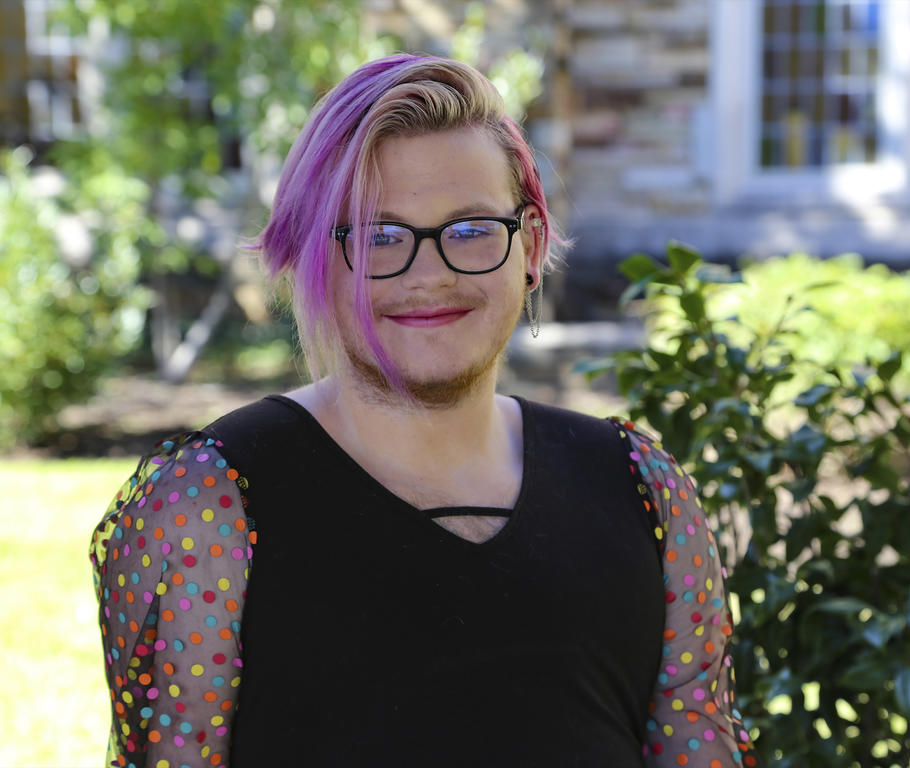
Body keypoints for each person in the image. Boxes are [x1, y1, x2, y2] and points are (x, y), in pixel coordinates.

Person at [89, 54, 760, 767]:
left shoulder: (642, 490)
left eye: (471, 229)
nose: (429, 274)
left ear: (528, 247)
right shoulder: (211, 506)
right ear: (312, 257)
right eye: (379, 236)